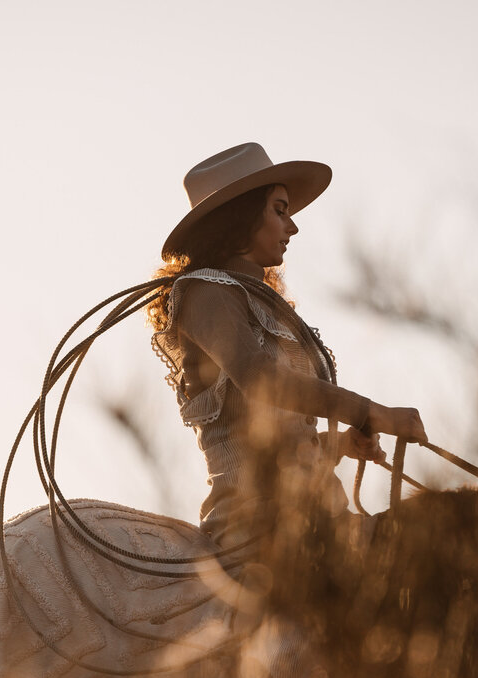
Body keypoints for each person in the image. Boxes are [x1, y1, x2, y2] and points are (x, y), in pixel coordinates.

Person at [148, 142, 426, 552]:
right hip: (260, 527)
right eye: (280, 211)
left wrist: (341, 445)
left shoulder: (257, 298)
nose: (292, 227)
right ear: (241, 216)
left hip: (318, 519)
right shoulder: (204, 293)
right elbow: (261, 381)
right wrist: (374, 413)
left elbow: (277, 436)